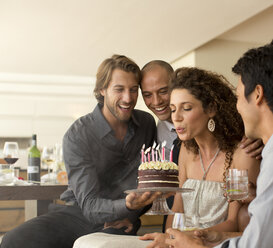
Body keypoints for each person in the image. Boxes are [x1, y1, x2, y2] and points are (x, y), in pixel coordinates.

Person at [0, 55, 157, 248]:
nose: (128, 98)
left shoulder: (146, 124)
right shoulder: (78, 134)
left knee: (104, 242)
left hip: (122, 220)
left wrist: (130, 214)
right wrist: (125, 206)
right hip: (79, 214)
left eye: (133, 90)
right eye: (119, 89)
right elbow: (90, 206)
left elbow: (151, 182)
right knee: (12, 241)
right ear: (102, 90)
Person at [165, 40, 273, 248]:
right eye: (172, 109)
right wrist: (169, 238)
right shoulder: (186, 152)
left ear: (212, 109)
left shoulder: (244, 153)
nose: (176, 117)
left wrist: (196, 238)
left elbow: (241, 224)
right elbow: (177, 211)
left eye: (186, 108)